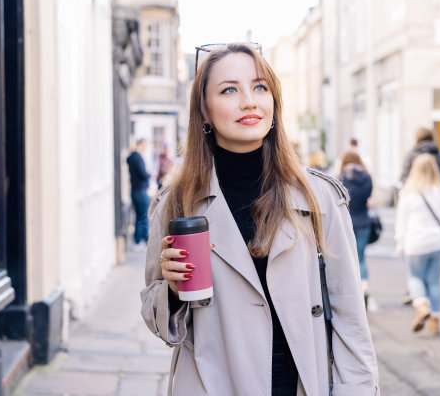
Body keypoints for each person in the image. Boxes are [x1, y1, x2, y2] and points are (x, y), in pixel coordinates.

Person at [140, 43, 379, 395]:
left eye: (260, 87)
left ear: (274, 102)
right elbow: (156, 319)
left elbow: (350, 318)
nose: (249, 101)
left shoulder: (319, 197)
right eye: (229, 90)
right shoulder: (176, 201)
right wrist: (173, 291)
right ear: (204, 111)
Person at [395, 154, 440, 335]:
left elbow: (401, 222)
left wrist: (400, 243)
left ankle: (422, 305)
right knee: (434, 281)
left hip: (415, 243)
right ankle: (435, 321)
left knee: (415, 277)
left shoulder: (408, 193)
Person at [339, 151, 373, 308]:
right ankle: (364, 287)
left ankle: (351, 293)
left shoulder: (343, 178)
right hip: (364, 223)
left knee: (347, 259)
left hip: (347, 223)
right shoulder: (368, 178)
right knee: (361, 257)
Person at [127, 138, 151, 248]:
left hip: (134, 190)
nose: (146, 147)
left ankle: (137, 241)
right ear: (141, 144)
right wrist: (149, 175)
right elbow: (143, 174)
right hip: (141, 191)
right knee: (143, 216)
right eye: (145, 145)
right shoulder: (138, 157)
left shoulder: (132, 157)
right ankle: (143, 240)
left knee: (138, 216)